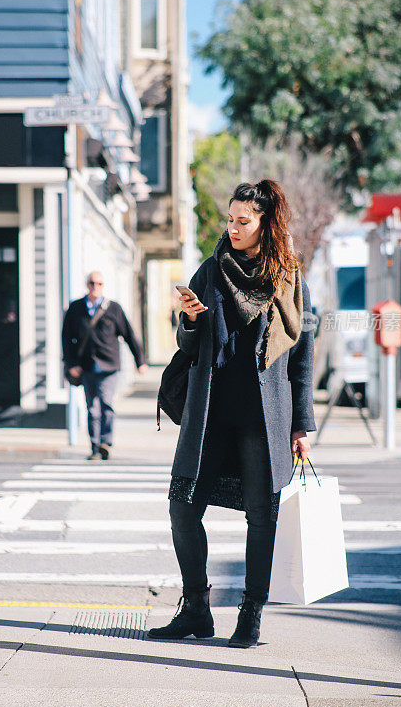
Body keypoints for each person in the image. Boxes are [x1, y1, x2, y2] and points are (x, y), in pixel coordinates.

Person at [148, 180, 317, 648]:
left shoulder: (288, 277)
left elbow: (302, 355)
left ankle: (251, 616)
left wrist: (302, 423)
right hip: (211, 413)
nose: (234, 228)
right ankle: (197, 610)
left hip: (264, 418)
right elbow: (189, 344)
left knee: (261, 518)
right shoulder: (210, 270)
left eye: (244, 221)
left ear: (266, 224)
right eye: (230, 219)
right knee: (182, 507)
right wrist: (191, 318)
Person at [62, 271, 148, 460]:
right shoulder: (76, 308)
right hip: (85, 366)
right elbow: (67, 339)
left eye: (99, 283)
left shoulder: (113, 308)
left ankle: (105, 443)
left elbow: (129, 335)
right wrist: (71, 364)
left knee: (106, 403)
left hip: (109, 365)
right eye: (92, 283)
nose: (95, 287)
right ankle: (94, 448)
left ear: (103, 286)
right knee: (92, 408)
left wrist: (139, 361)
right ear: (87, 285)